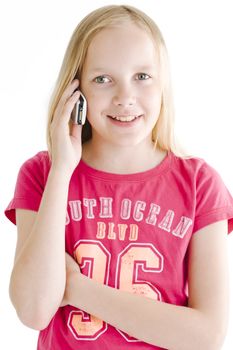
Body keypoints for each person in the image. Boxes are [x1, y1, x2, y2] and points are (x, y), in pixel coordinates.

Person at [4, 4, 233, 350]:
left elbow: (207, 337)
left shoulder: (200, 184)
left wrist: (77, 288)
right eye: (103, 79)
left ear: (162, 85)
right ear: (75, 92)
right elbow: (35, 310)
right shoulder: (43, 173)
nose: (125, 97)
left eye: (142, 76)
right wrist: (62, 169)